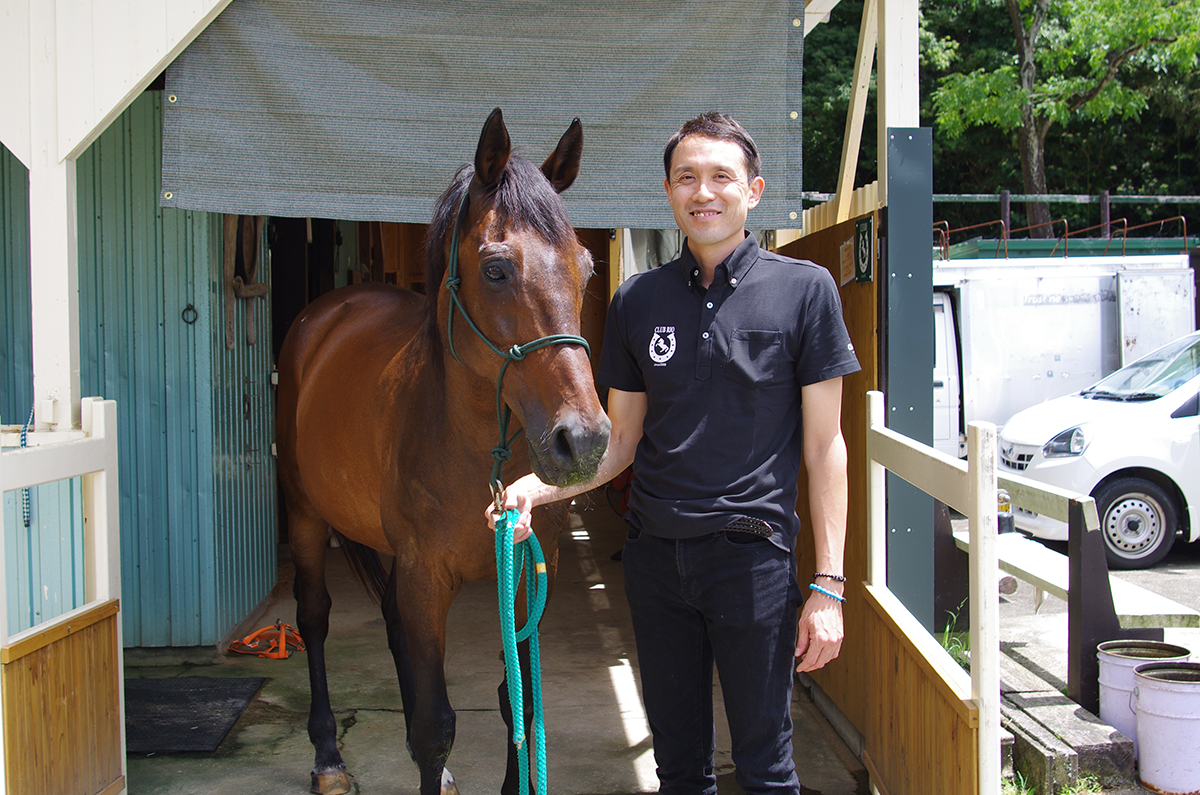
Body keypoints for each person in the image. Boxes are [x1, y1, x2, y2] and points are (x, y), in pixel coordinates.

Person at [489, 112, 860, 795]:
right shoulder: (638, 300)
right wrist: (534, 490)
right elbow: (622, 441)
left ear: (754, 189)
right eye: (687, 177)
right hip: (656, 561)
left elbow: (824, 446)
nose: (703, 191)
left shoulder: (805, 291)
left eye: (721, 176)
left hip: (753, 559)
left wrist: (829, 587)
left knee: (767, 768)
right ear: (667, 191)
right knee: (678, 769)